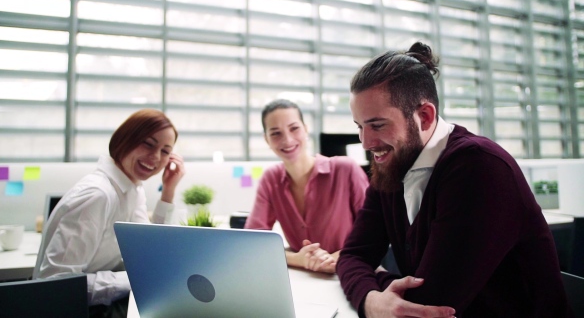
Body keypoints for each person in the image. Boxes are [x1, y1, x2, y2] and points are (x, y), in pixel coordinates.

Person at [337, 42, 572, 317]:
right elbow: (352, 256)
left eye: (377, 125)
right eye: (359, 127)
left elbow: (428, 305)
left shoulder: (478, 167)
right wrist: (371, 299)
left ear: (424, 117)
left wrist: (375, 286)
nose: (366, 142)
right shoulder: (391, 165)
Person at [33, 109, 185, 317]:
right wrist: (132, 280)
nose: (156, 157)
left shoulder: (131, 188)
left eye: (165, 151)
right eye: (148, 144)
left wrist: (168, 190)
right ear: (125, 140)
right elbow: (55, 284)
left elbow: (147, 248)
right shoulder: (98, 195)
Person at [245, 99, 369, 274]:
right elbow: (251, 243)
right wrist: (299, 259)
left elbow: (372, 235)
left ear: (306, 129)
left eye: (294, 128)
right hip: (304, 277)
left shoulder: (345, 169)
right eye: (275, 133)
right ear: (267, 140)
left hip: (353, 272)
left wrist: (330, 259)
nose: (287, 140)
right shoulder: (270, 179)